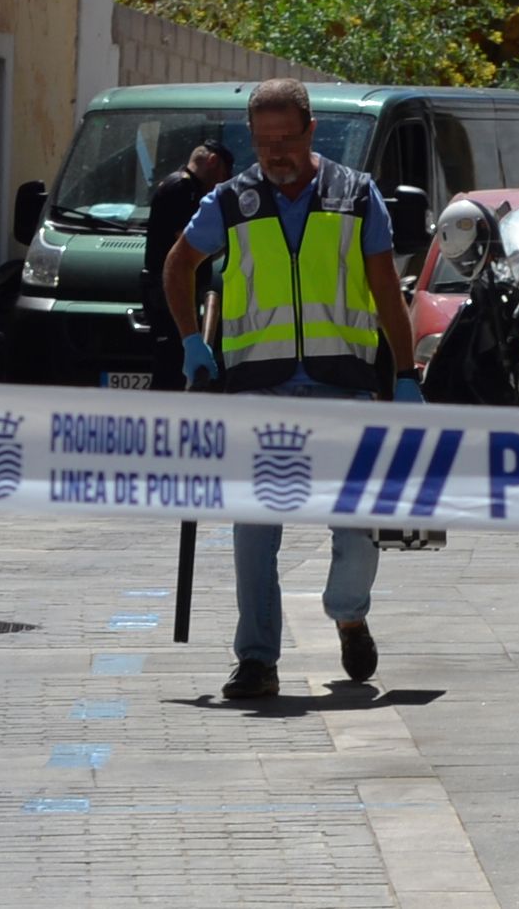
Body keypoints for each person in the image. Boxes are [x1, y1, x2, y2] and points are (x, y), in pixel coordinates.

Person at [162, 78, 422, 701]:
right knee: (255, 529)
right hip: (258, 388)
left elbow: (386, 291)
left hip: (344, 385)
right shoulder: (231, 200)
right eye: (262, 140)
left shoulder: (356, 195)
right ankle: (257, 660)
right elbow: (179, 264)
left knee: (357, 524)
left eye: (286, 138)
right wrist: (191, 342)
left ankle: (349, 613)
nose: (275, 151)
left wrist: (406, 374)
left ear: (310, 130)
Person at [143, 141, 234, 390]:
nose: (221, 183)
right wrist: (225, 238)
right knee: (172, 362)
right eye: (224, 174)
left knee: (175, 360)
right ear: (213, 162)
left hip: (172, 289)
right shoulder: (182, 189)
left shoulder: (184, 187)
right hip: (168, 291)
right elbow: (186, 243)